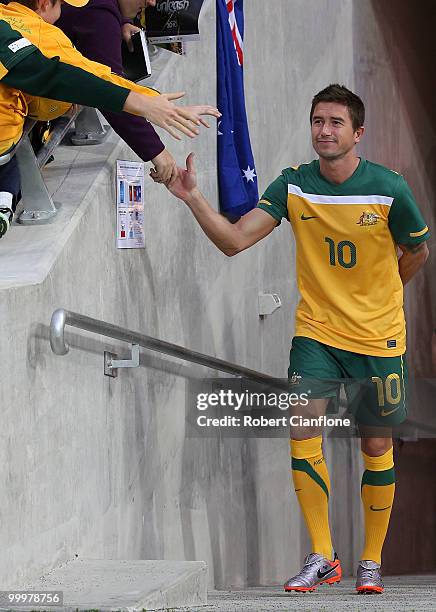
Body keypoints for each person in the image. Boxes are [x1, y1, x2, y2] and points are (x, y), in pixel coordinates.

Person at [160, 84, 430, 594]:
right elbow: (235, 240)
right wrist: (193, 196)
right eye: (318, 121)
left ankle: (370, 561)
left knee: (375, 443)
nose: (324, 131)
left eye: (335, 123)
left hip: (378, 339)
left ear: (358, 133)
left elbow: (416, 252)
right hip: (317, 334)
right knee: (302, 430)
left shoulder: (389, 188)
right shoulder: (295, 185)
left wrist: (382, 298)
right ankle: (323, 555)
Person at [0, 0, 219, 237]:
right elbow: (79, 76)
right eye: (62, 3)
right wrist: (149, 104)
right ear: (44, 3)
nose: (153, 2)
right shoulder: (48, 33)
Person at [57, 0, 180, 185]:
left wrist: (119, 21)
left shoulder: (101, 15)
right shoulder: (99, 18)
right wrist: (156, 151)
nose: (152, 2)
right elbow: (112, 92)